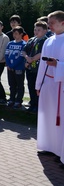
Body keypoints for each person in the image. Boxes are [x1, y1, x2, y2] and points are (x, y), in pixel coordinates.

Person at [35, 11, 64, 158]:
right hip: (47, 83)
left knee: (60, 120)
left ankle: (60, 151)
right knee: (48, 116)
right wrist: (39, 84)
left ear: (62, 23)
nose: (49, 26)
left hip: (60, 85)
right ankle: (49, 146)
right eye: (48, 23)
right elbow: (42, 66)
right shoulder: (48, 40)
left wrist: (58, 64)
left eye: (52, 23)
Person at [22, 21, 48, 112]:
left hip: (39, 68)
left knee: (38, 88)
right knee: (31, 85)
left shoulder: (46, 41)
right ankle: (32, 103)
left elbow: (42, 53)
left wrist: (31, 59)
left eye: (39, 30)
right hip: (30, 68)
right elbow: (24, 50)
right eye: (35, 29)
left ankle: (38, 105)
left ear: (45, 31)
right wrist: (26, 58)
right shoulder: (31, 40)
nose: (36, 32)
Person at [5, 26, 27, 108]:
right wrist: (8, 64)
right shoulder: (10, 43)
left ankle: (18, 100)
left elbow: (21, 57)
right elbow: (6, 54)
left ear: (21, 34)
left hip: (19, 68)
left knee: (19, 84)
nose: (14, 35)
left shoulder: (24, 44)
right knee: (12, 84)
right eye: (13, 33)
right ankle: (12, 99)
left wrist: (13, 65)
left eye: (17, 33)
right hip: (10, 67)